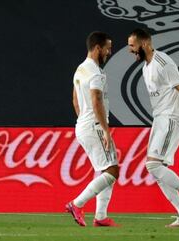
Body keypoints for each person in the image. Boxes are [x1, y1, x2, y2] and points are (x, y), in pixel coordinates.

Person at [127, 28, 179, 227]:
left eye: (132, 46)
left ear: (144, 44)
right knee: (157, 169)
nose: (130, 50)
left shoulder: (163, 62)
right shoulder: (146, 67)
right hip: (160, 119)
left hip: (172, 118)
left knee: (153, 165)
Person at [66, 31, 119, 227]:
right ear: (98, 48)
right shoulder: (96, 73)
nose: (109, 52)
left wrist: (83, 120)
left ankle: (101, 216)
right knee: (112, 170)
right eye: (107, 48)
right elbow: (96, 100)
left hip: (83, 125)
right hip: (94, 125)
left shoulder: (80, 69)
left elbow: (74, 99)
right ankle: (77, 204)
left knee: (105, 169)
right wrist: (104, 129)